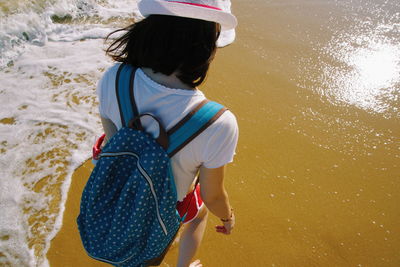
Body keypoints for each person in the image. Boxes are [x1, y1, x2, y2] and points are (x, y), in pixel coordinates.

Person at [96, 1, 238, 266]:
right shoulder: (217, 123)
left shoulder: (114, 77)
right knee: (199, 213)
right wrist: (228, 217)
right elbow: (213, 195)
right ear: (206, 46)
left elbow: (113, 144)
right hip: (157, 215)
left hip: (114, 198)